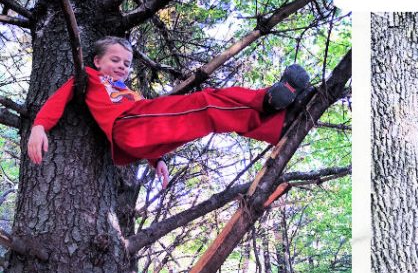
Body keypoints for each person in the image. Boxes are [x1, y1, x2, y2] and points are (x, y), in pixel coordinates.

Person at [28, 36, 310, 188]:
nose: (122, 67)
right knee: (206, 102)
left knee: (211, 115)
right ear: (97, 61)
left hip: (138, 134)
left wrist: (156, 160)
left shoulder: (130, 93)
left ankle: (275, 121)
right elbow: (61, 96)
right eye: (115, 60)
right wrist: (40, 126)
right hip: (128, 125)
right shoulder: (89, 76)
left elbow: (151, 127)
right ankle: (268, 103)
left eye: (127, 64)